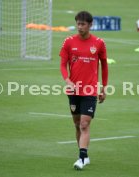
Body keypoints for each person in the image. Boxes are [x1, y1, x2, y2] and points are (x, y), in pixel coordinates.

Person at [59, 11, 108, 170]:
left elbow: (104, 65)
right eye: (78, 24)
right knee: (77, 124)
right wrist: (67, 80)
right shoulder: (68, 42)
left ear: (90, 25)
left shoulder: (99, 43)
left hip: (90, 89)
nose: (80, 27)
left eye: (83, 24)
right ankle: (85, 155)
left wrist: (103, 87)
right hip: (73, 91)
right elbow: (62, 64)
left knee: (84, 124)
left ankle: (80, 158)